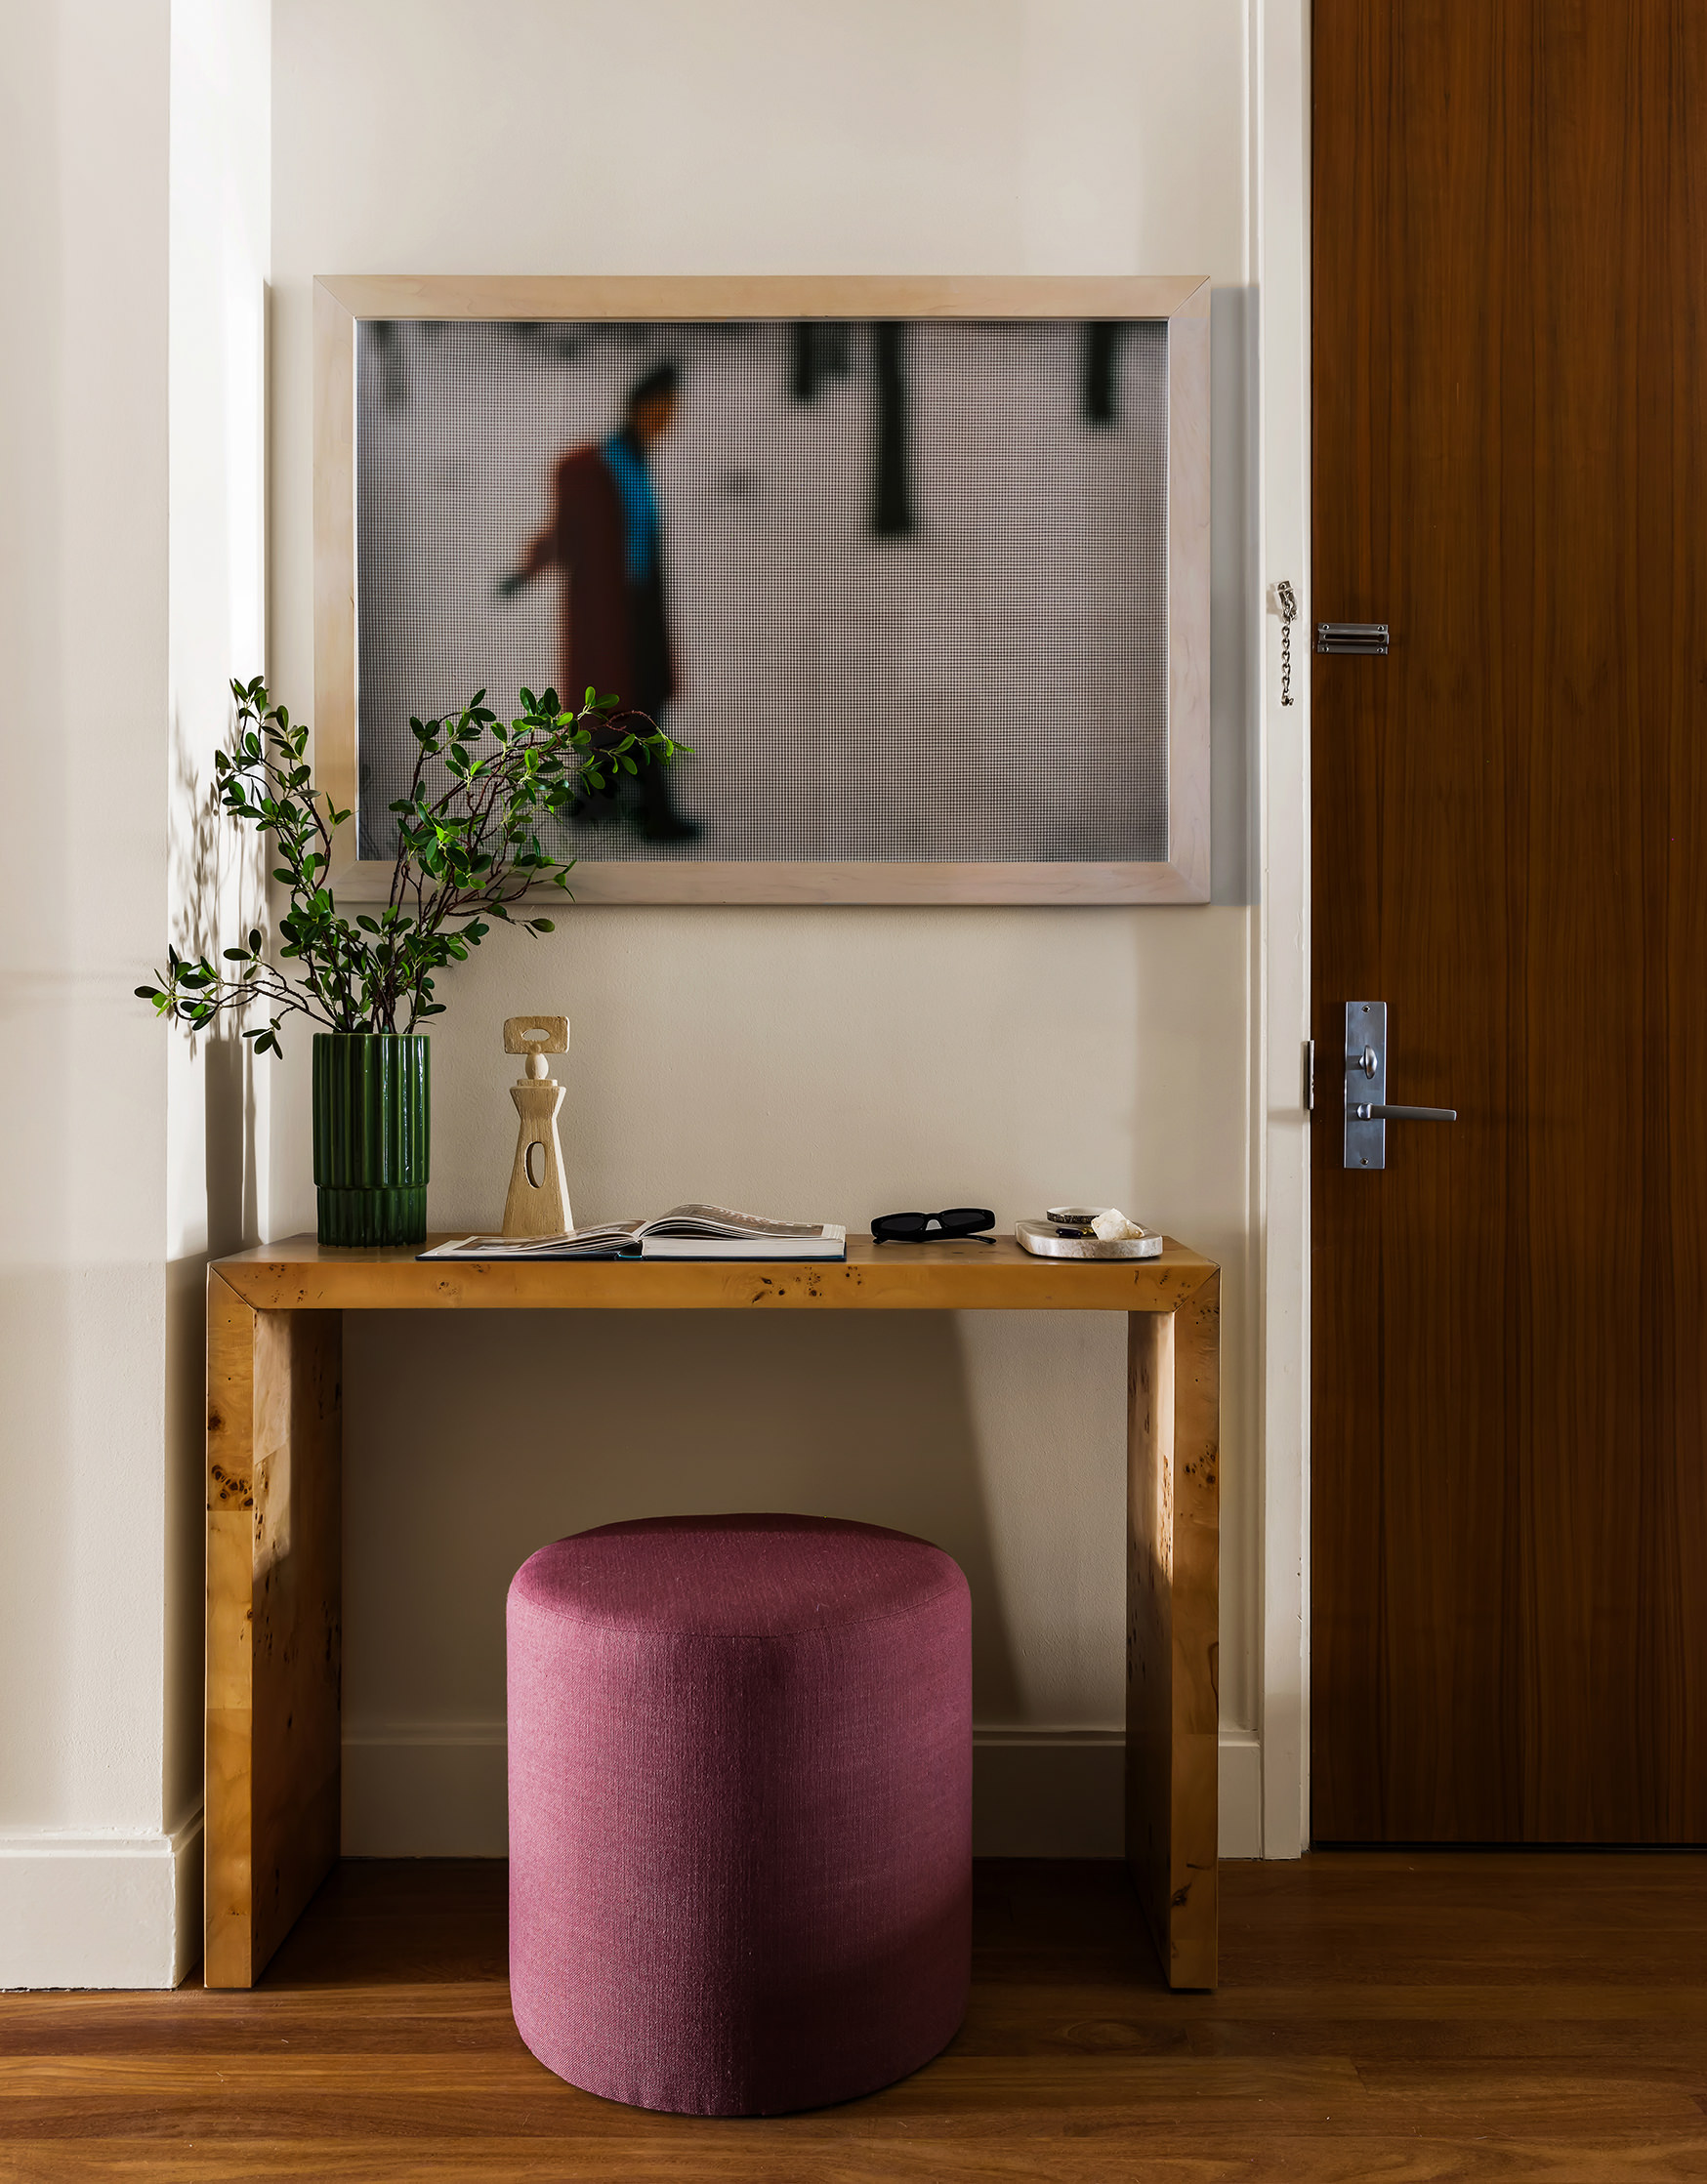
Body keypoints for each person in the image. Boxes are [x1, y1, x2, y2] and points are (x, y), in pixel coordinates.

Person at [501, 361, 698, 842]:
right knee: (628, 702)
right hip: (609, 613)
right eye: (662, 408)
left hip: (643, 605)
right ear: (639, 406)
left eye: (672, 410)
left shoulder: (640, 463)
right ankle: (652, 812)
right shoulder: (594, 466)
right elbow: (566, 534)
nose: (668, 420)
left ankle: (599, 800)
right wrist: (526, 569)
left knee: (637, 700)